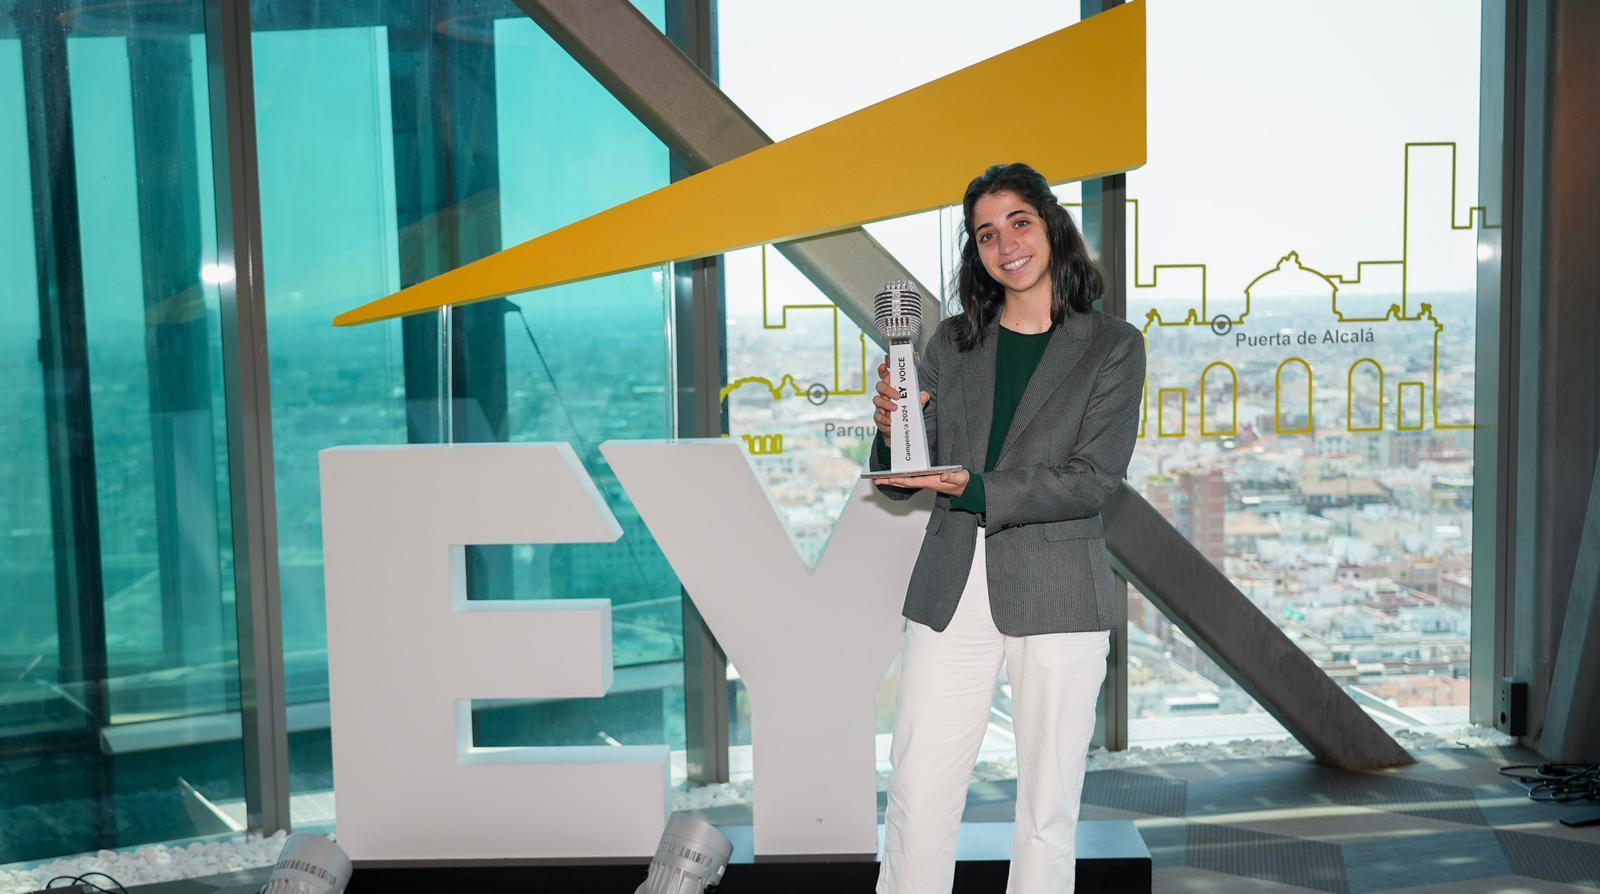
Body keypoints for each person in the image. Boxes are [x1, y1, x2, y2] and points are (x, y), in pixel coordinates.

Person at [868, 162, 1146, 893]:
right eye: (986, 233)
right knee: (917, 791)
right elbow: (908, 476)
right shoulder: (950, 343)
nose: (1005, 243)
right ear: (976, 252)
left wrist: (981, 487)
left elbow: (1092, 480)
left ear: (1051, 226)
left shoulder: (1114, 346)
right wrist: (891, 429)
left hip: (1056, 590)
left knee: (1046, 811)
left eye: (1018, 222)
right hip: (951, 583)